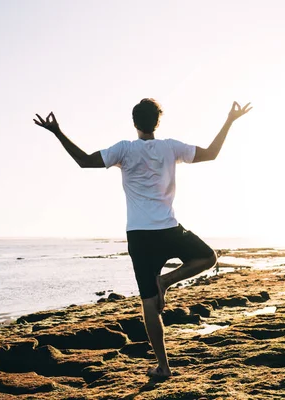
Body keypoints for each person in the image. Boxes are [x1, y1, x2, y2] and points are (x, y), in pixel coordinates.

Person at [34, 98, 252, 378]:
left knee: (150, 303)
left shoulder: (124, 150)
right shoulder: (170, 147)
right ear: (157, 122)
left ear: (134, 122)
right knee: (208, 257)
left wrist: (57, 132)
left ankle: (163, 365)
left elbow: (84, 161)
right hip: (169, 230)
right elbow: (211, 153)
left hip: (139, 236)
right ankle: (166, 282)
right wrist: (229, 121)